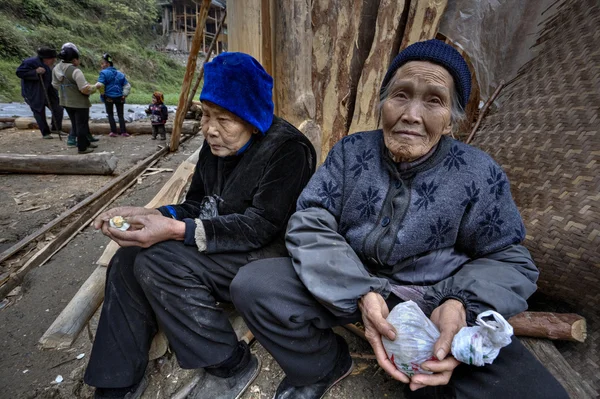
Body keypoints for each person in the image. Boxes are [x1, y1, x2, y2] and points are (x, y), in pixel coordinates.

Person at [231, 40, 569, 399]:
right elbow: (310, 219)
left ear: (452, 120)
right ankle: (322, 365)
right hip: (352, 282)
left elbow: (510, 260)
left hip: (437, 302)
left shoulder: (477, 174)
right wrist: (361, 290)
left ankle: (423, 372)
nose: (411, 114)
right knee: (254, 285)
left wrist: (458, 304)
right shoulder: (351, 152)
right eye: (401, 95)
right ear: (382, 104)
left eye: (434, 100)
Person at [83, 52, 316, 399]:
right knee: (127, 259)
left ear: (253, 119)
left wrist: (178, 231)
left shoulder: (288, 150)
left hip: (266, 259)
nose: (210, 129)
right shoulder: (215, 145)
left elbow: (261, 226)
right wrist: (156, 215)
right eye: (206, 115)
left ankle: (229, 363)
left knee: (155, 261)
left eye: (224, 119)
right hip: (220, 246)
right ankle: (117, 377)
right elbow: (198, 203)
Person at [52, 46, 99, 154]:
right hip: (79, 102)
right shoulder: (75, 71)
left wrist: (67, 89)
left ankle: (86, 142)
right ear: (74, 59)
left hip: (65, 101)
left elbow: (55, 85)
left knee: (75, 123)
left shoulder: (56, 69)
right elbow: (84, 89)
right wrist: (95, 87)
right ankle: (82, 147)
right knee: (82, 124)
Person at [16, 46, 63, 139]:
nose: (54, 60)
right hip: (34, 92)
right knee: (39, 111)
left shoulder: (51, 65)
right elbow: (19, 72)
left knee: (58, 108)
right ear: (46, 59)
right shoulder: (29, 62)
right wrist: (35, 72)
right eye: (53, 58)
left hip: (49, 90)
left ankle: (55, 128)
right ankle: (45, 133)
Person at [97, 53, 131, 137]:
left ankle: (114, 132)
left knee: (110, 114)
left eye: (103, 63)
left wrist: (102, 93)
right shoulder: (120, 74)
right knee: (120, 115)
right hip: (120, 97)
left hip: (108, 97)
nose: (102, 65)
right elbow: (127, 85)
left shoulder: (103, 73)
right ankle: (123, 132)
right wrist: (124, 95)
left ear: (107, 64)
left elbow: (100, 85)